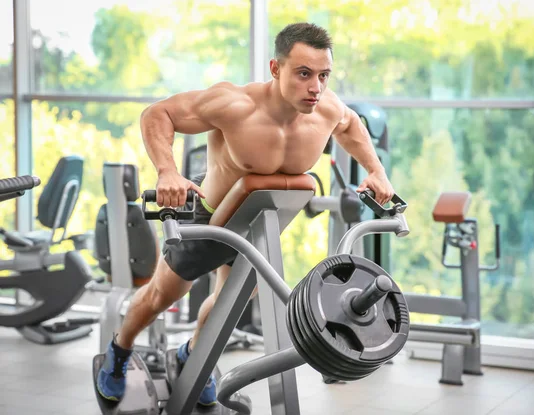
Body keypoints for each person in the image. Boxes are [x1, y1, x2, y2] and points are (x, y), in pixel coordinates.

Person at [95, 22, 395, 406]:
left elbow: (352, 126)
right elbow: (158, 115)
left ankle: (193, 355)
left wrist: (376, 170)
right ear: (275, 69)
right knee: (159, 296)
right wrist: (168, 171)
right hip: (209, 217)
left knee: (228, 305)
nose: (315, 88)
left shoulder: (327, 110)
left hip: (259, 222)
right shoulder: (235, 105)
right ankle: (119, 352)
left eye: (323, 75)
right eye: (304, 74)